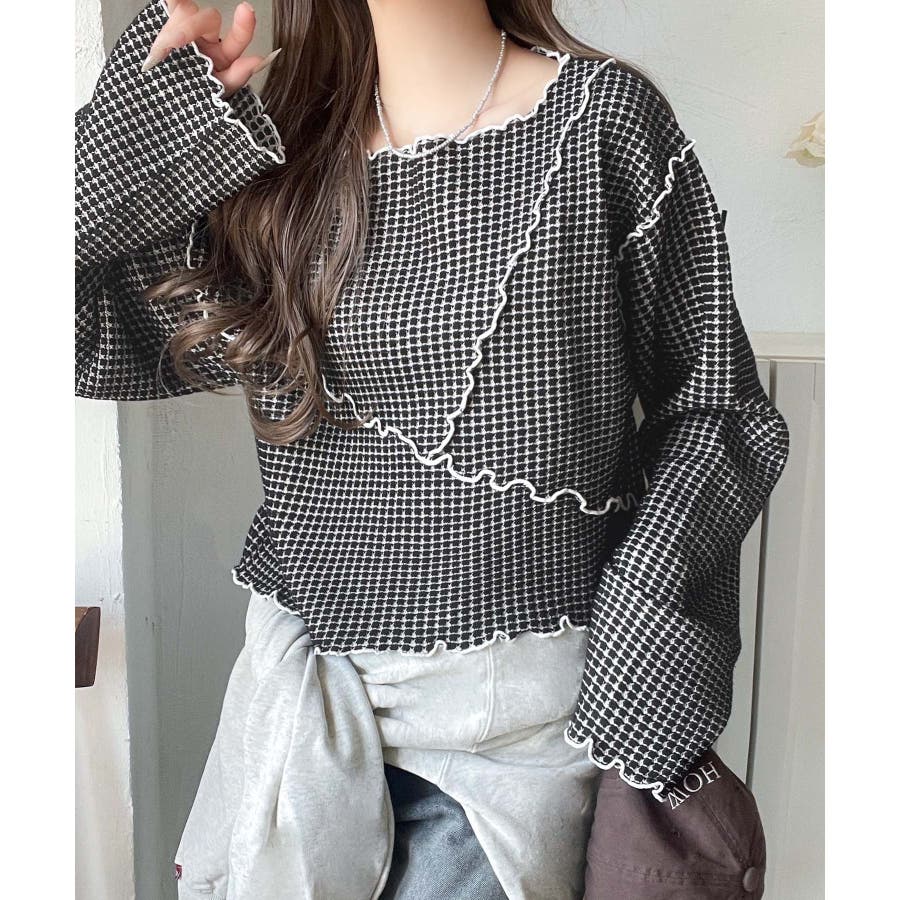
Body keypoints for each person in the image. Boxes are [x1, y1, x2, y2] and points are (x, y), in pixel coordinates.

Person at [75, 1, 790, 897]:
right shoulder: (283, 151)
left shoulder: (600, 121)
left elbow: (716, 406)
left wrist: (641, 618)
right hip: (297, 728)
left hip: (506, 755)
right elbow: (75, 334)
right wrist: (124, 143)